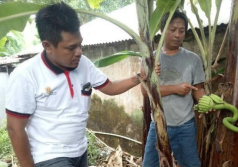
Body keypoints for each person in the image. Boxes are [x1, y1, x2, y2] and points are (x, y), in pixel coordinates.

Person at [5, 2, 145, 167]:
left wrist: (139, 78)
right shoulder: (26, 75)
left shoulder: (83, 64)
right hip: (49, 156)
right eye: (71, 48)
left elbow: (110, 87)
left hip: (80, 151)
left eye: (80, 44)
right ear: (47, 46)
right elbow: (15, 128)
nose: (79, 52)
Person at [141, 10, 206, 167]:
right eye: (173, 30)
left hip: (185, 126)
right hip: (158, 125)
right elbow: (145, 91)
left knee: (191, 165)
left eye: (181, 31)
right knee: (149, 165)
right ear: (163, 31)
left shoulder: (193, 59)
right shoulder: (151, 59)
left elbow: (199, 89)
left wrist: (208, 103)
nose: (177, 35)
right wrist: (175, 88)